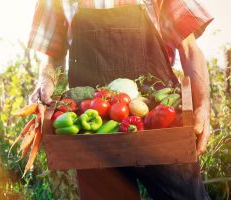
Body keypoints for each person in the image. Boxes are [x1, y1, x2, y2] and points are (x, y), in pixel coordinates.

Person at [28, 0, 213, 199]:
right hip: (93, 130)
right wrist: (45, 82)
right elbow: (52, 57)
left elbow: (189, 49)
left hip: (160, 122)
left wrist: (202, 107)